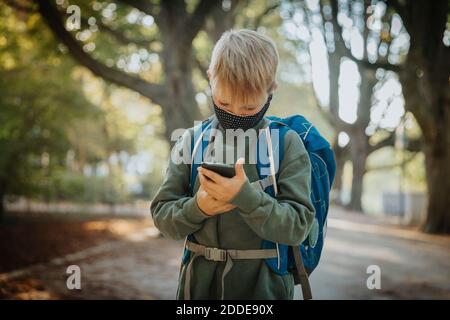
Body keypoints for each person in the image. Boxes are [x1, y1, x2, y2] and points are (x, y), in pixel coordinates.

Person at [150, 29, 315, 300]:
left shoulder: (285, 144)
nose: (235, 113)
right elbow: (162, 217)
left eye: (249, 108)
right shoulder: (191, 140)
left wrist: (245, 197)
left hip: (263, 290)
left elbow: (297, 227)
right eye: (224, 102)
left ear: (271, 90)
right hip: (197, 289)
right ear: (210, 80)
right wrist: (197, 207)